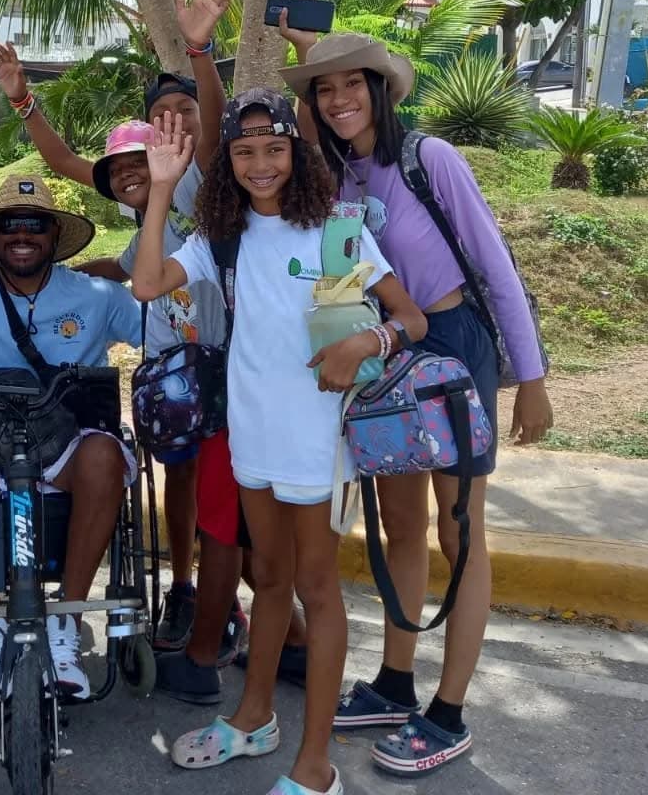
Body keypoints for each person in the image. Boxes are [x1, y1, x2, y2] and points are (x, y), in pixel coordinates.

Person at [131, 90, 428, 795]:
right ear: (228, 161)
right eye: (244, 151)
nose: (260, 164)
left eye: (274, 148)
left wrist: (366, 341)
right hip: (251, 436)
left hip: (318, 441)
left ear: (297, 151)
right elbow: (146, 283)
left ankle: (315, 766)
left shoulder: (337, 230)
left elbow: (411, 319)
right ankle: (253, 718)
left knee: (316, 589)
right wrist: (162, 187)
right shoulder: (221, 239)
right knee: (268, 579)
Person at [279, 27, 553, 776]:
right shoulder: (338, 176)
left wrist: (530, 379)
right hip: (384, 352)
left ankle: (449, 711)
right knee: (400, 524)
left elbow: (495, 265)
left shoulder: (431, 160)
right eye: (324, 90)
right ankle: (395, 683)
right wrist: (308, 54)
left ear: (382, 89)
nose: (338, 100)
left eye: (352, 84)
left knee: (459, 531)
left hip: (454, 347)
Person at [0, 0, 239, 665]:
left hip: (223, 361)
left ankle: (230, 602)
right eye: (161, 116)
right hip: (168, 370)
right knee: (182, 479)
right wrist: (22, 99)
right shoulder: (143, 201)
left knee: (226, 486)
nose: (174, 123)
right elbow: (70, 168)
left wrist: (199, 51)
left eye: (183, 112)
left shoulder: (204, 177)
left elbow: (212, 126)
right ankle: (185, 587)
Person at [0, 175, 142, 703]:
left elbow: (163, 329)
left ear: (54, 235)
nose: (22, 236)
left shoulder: (97, 295)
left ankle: (66, 619)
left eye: (35, 225)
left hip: (63, 433)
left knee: (104, 454)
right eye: (10, 225)